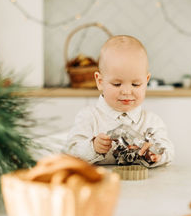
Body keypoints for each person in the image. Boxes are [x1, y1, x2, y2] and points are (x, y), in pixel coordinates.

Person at [65, 35, 174, 167]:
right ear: (100, 82)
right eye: (117, 84)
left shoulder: (152, 122)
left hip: (142, 186)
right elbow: (71, 151)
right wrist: (93, 147)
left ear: (146, 81)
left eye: (136, 84)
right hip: (100, 184)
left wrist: (156, 155)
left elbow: (168, 151)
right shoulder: (88, 117)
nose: (127, 91)